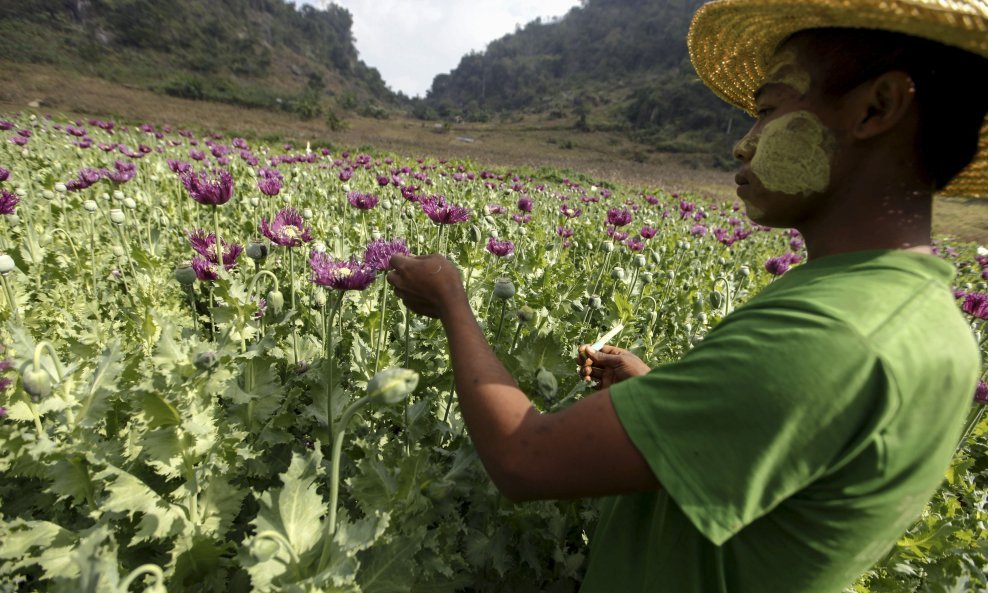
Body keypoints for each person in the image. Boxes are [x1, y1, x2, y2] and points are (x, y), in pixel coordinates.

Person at [386, 0, 988, 591]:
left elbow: (523, 458)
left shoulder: (835, 333)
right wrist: (657, 396)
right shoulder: (923, 320)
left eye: (769, 110)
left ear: (876, 107)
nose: (742, 145)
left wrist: (451, 302)